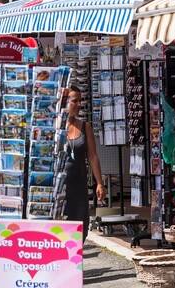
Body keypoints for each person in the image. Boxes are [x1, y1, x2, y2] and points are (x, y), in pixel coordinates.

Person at [52, 86, 104, 236]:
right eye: (75, 101)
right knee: (59, 226)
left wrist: (99, 183)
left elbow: (92, 156)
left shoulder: (85, 127)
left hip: (78, 185)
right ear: (64, 102)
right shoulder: (54, 126)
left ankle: (77, 248)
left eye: (80, 101)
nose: (79, 104)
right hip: (59, 187)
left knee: (80, 226)